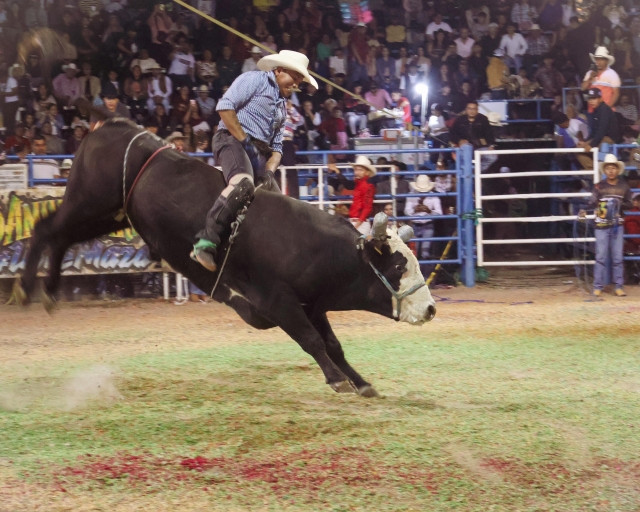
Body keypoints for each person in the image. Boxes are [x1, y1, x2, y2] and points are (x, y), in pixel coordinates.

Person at [191, 50, 317, 272]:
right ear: (279, 70)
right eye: (294, 77)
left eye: (299, 81)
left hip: (258, 152)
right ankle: (206, 241)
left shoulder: (281, 107)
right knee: (242, 182)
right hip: (231, 139)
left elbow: (276, 148)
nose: (296, 84)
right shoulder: (254, 79)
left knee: (283, 208)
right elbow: (225, 107)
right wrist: (244, 140)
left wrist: (269, 172)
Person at [579, 154, 633, 297]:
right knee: (601, 256)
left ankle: (617, 286)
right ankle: (598, 286)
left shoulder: (624, 186)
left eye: (613, 168)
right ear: (605, 170)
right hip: (602, 225)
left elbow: (630, 203)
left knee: (617, 257)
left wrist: (618, 205)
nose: (610, 171)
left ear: (617, 170)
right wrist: (585, 209)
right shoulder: (599, 186)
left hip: (617, 224)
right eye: (608, 168)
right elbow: (592, 202)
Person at [329, 156, 377, 235]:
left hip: (360, 224)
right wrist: (337, 171)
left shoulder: (368, 186)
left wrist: (356, 225)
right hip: (356, 222)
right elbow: (348, 184)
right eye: (356, 169)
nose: (357, 172)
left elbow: (367, 208)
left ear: (367, 172)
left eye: (360, 170)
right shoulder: (358, 183)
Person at [576, 88, 621, 169]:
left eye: (594, 98)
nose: (591, 101)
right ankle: (595, 170)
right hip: (599, 138)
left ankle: (599, 171)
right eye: (590, 98)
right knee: (577, 149)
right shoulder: (595, 111)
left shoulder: (604, 109)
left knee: (597, 144)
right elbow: (593, 131)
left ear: (600, 99)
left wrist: (591, 145)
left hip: (609, 138)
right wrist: (585, 142)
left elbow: (602, 130)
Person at [405, 175, 442, 268]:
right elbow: (406, 211)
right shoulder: (411, 195)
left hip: (428, 226)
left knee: (425, 252)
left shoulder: (434, 197)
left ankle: (425, 276)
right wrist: (414, 210)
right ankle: (418, 275)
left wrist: (429, 211)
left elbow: (440, 213)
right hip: (415, 225)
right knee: (415, 252)